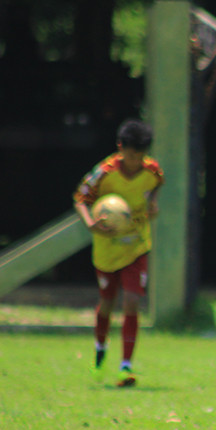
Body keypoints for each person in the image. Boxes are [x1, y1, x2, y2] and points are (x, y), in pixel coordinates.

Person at [73, 119, 164, 388]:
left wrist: (153, 204)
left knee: (132, 301)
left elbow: (158, 184)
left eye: (141, 155)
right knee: (108, 303)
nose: (135, 160)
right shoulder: (104, 172)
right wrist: (91, 223)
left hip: (136, 245)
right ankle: (100, 346)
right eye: (131, 154)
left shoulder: (152, 171)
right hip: (107, 248)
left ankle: (126, 366)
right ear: (120, 148)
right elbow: (80, 198)